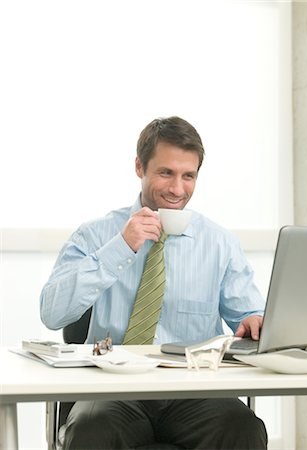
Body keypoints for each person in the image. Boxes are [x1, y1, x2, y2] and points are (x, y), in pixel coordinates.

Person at [40, 116, 268, 449]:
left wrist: (254, 321)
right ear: (139, 167)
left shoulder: (219, 243)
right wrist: (121, 247)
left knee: (242, 429)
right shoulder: (95, 235)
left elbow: (248, 315)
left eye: (188, 176)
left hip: (194, 389)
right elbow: (52, 313)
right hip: (112, 387)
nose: (177, 189)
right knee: (92, 430)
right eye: (166, 173)